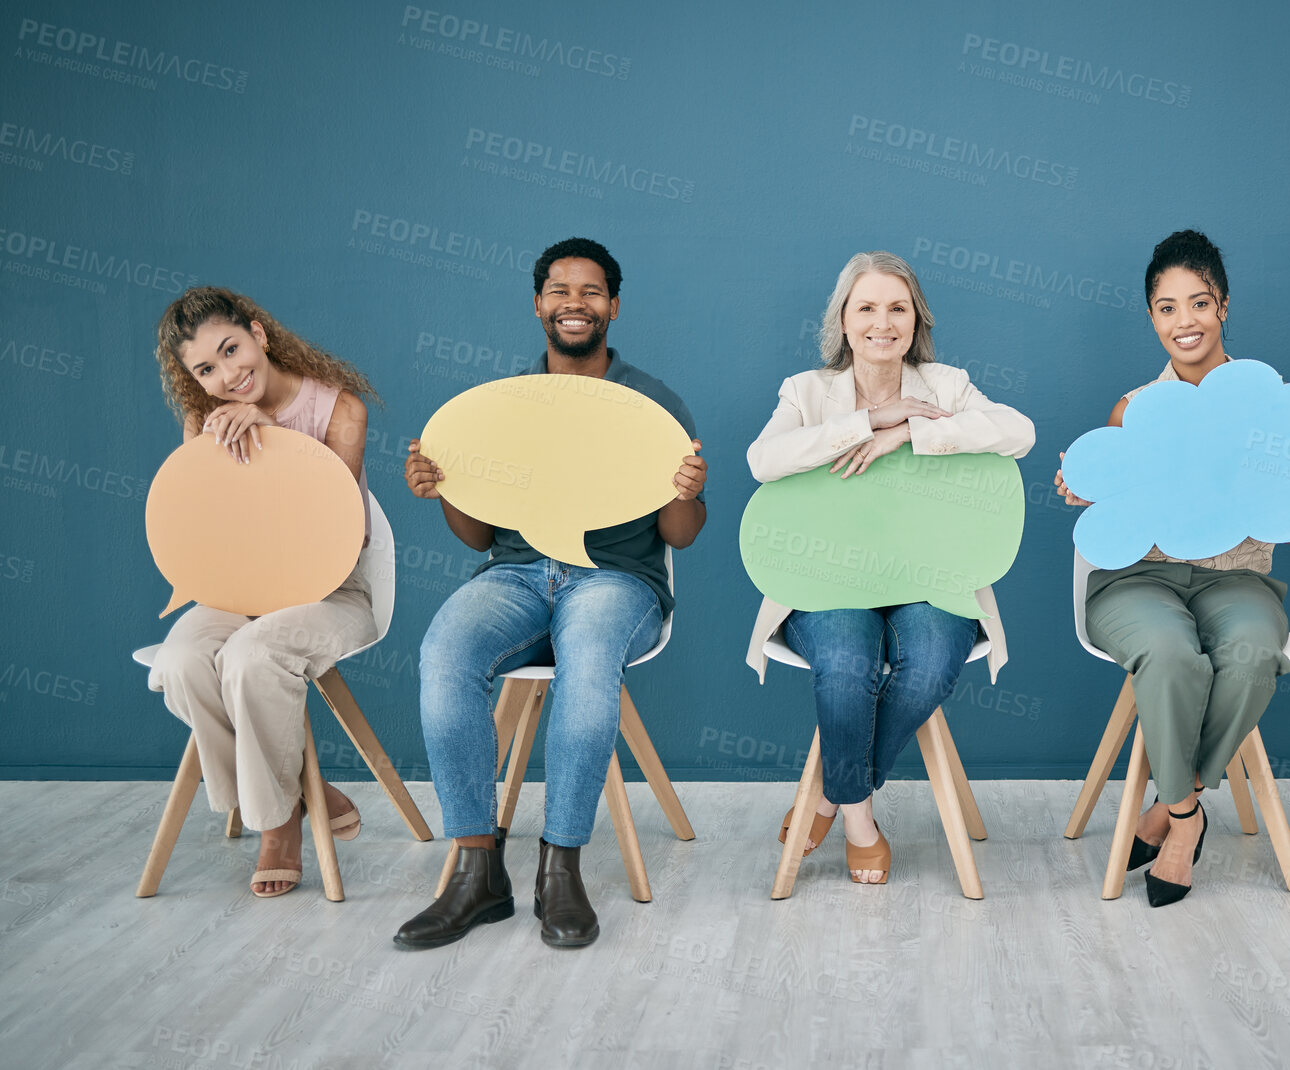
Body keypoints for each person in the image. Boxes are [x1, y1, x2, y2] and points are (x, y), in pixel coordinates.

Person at [394, 237, 706, 948]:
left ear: (614, 307)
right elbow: (478, 539)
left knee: (589, 661)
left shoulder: (653, 404)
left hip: (616, 581)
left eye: (591, 291)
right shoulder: (504, 407)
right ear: (538, 305)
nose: (575, 303)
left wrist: (687, 490)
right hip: (515, 575)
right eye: (560, 290)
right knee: (444, 651)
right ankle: (477, 871)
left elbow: (681, 535)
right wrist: (443, 490)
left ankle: (560, 866)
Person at [1054, 231, 1290, 907]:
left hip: (1237, 580)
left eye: (1198, 303)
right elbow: (1109, 507)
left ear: (1224, 306)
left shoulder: (1267, 409)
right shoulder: (1134, 408)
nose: (1183, 321)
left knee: (1252, 652)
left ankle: (1164, 807)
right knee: (1172, 655)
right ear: (1152, 318)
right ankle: (1189, 820)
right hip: (1138, 582)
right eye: (1166, 308)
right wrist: (1084, 486)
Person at [745, 251, 1034, 885]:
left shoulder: (947, 385)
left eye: (897, 307)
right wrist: (863, 423)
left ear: (916, 319)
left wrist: (910, 432)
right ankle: (859, 822)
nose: (883, 322)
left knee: (929, 663)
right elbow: (763, 461)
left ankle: (828, 794)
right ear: (843, 322)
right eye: (866, 308)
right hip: (829, 581)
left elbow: (1019, 432)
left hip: (929, 581)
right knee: (846, 664)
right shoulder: (807, 391)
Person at [147, 287, 380, 898]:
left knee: (253, 656)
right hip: (240, 588)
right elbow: (211, 523)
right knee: (180, 661)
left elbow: (337, 536)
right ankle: (303, 793)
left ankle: (276, 827)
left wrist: (275, 434)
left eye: (232, 349)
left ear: (259, 333)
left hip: (332, 591)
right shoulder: (209, 420)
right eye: (206, 369)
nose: (227, 375)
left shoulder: (340, 410)